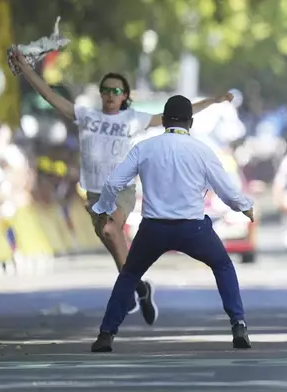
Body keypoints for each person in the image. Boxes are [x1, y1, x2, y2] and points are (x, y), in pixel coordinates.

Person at [10, 51, 232, 326]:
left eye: (116, 90)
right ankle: (139, 289)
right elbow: (49, 96)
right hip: (93, 194)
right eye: (105, 90)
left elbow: (174, 115)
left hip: (121, 190)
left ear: (125, 95)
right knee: (116, 249)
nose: (110, 95)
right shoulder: (87, 116)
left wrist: (213, 100)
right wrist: (25, 69)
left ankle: (129, 291)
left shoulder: (132, 120)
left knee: (111, 230)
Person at [90, 95, 254, 352]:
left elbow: (113, 183)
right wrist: (245, 207)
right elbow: (226, 189)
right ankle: (239, 324)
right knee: (222, 265)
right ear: (191, 122)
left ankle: (106, 334)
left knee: (130, 275)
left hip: (154, 229)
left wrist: (102, 209)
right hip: (193, 229)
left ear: (164, 120)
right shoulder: (202, 151)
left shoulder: (145, 148)